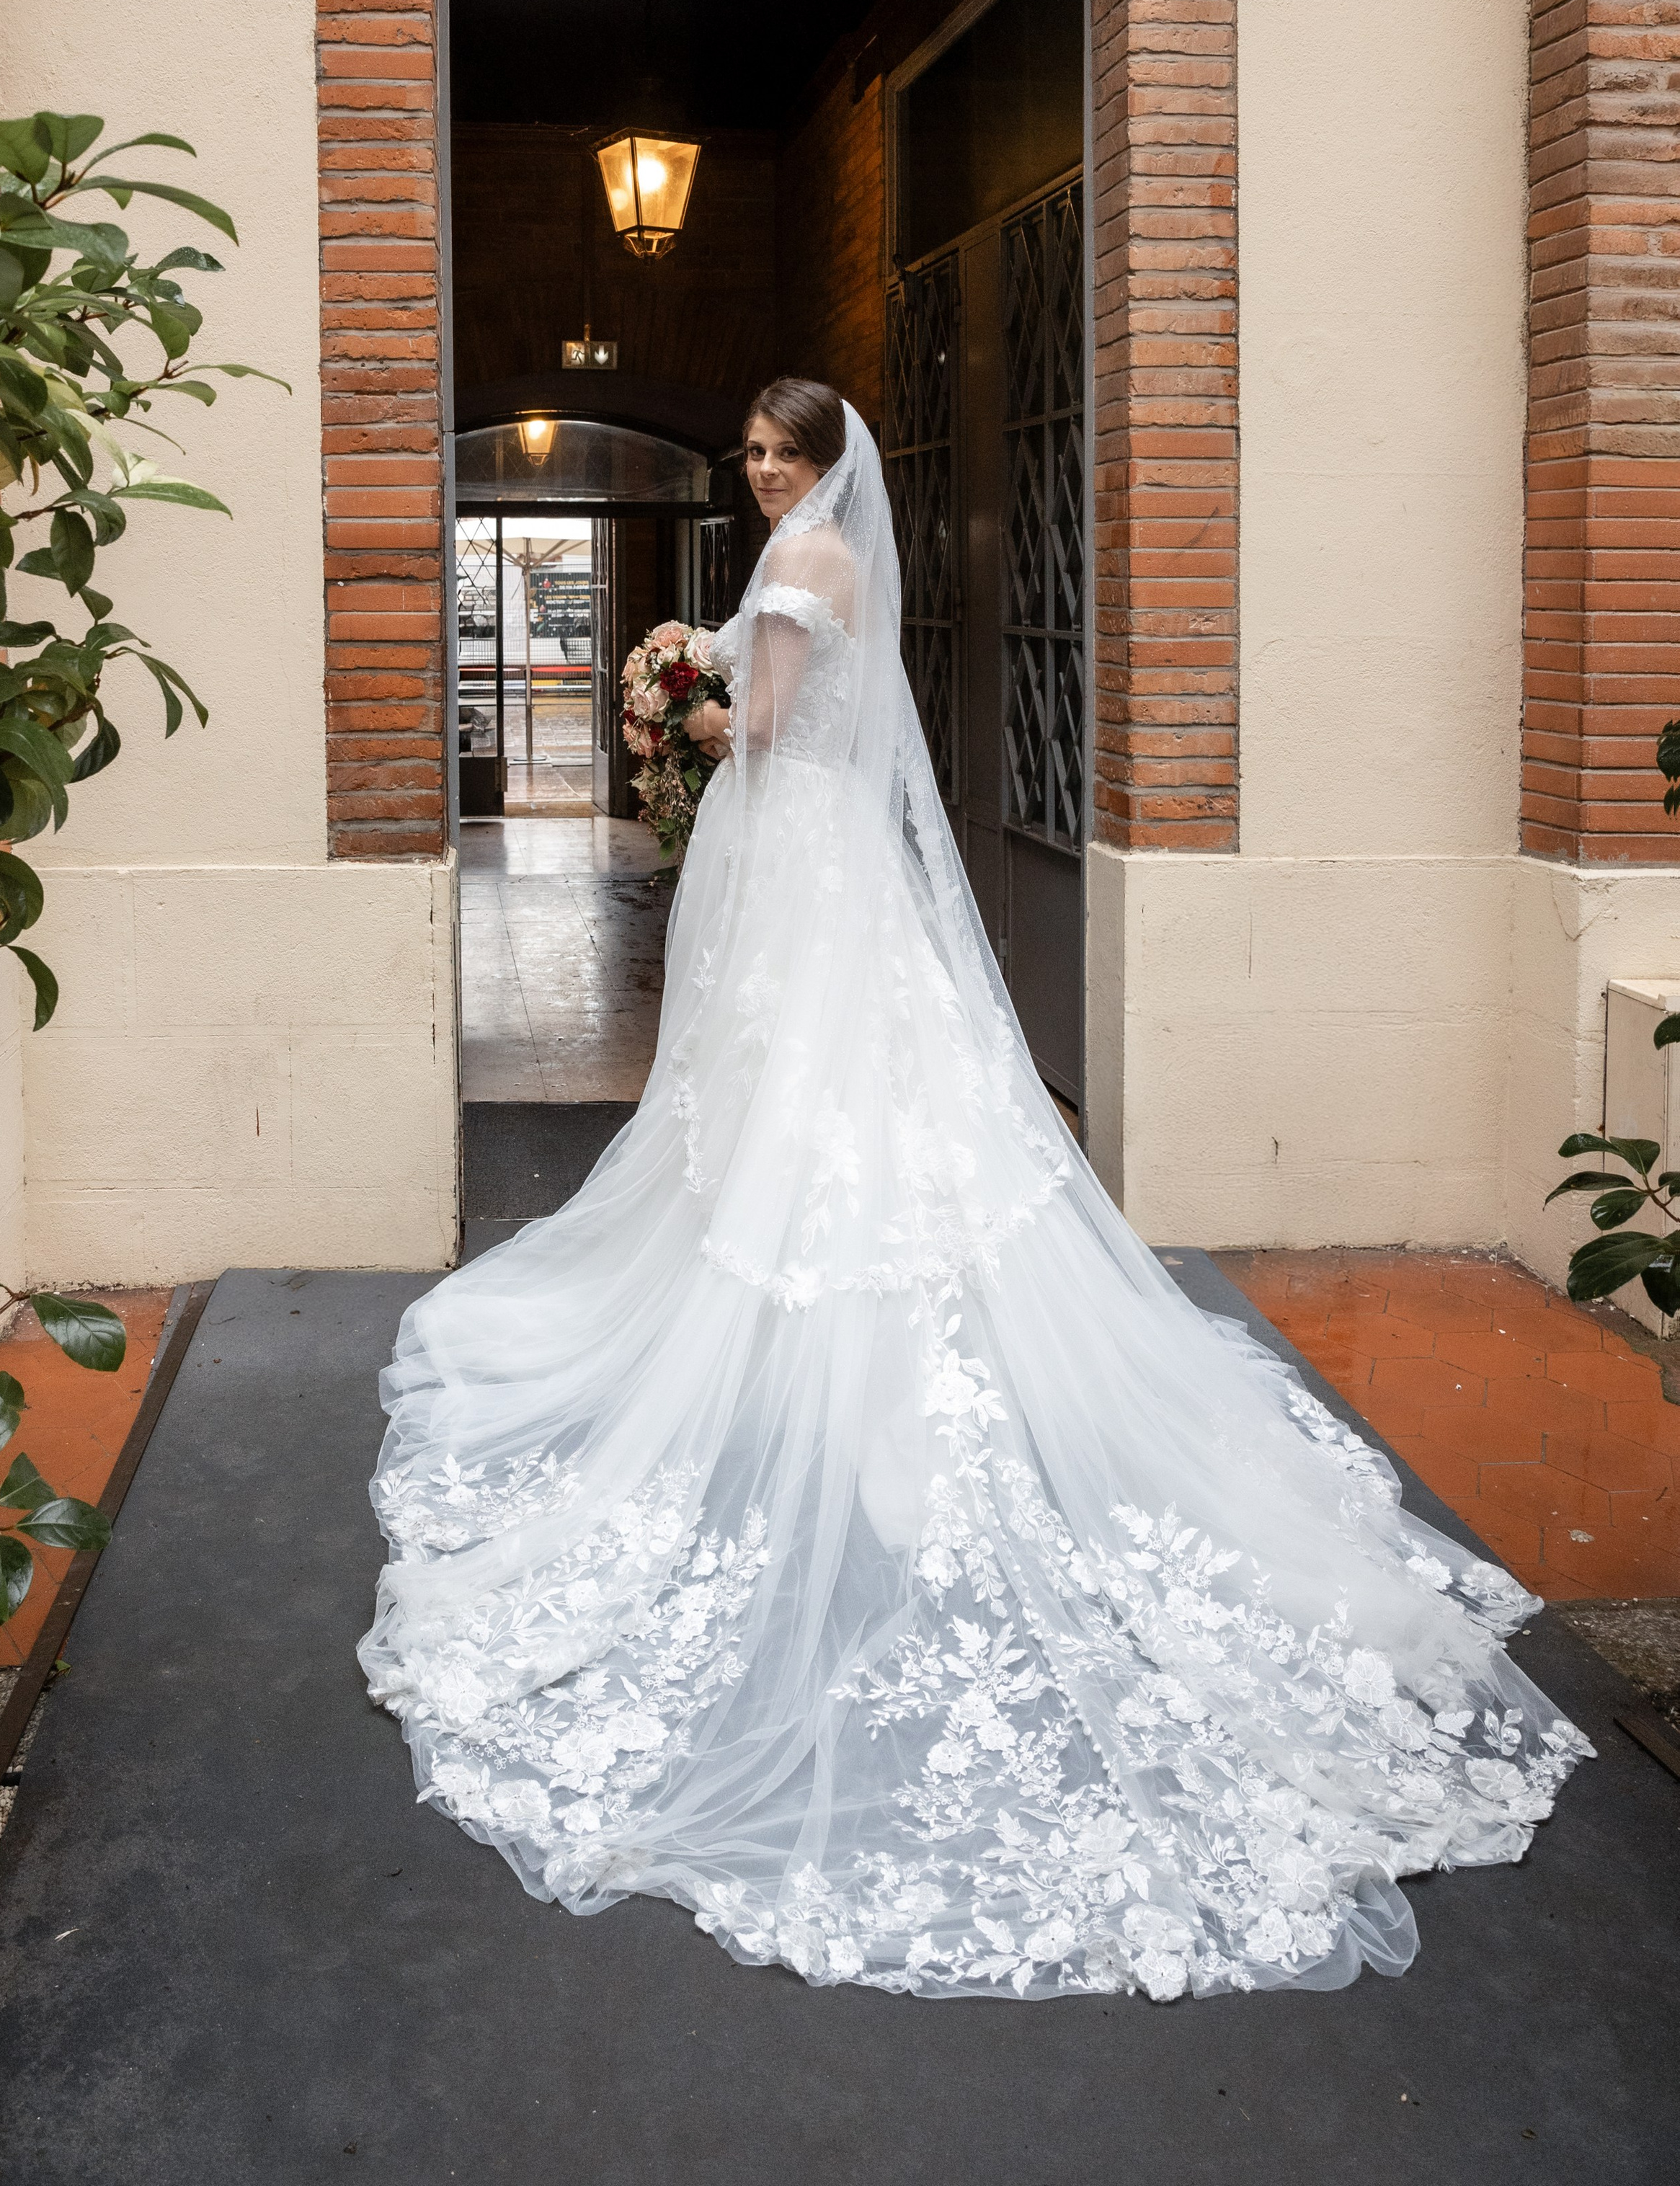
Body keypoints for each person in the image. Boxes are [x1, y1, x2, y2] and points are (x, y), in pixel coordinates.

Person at [360, 379, 1588, 2003]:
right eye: (745, 453)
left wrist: (689, 708)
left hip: (793, 855)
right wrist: (698, 690)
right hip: (825, 871)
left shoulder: (798, 571)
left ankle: (806, 1346)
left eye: (772, 456)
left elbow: (781, 732)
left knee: (796, 1095)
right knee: (846, 1092)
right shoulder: (832, 560)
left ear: (813, 468)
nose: (755, 474)